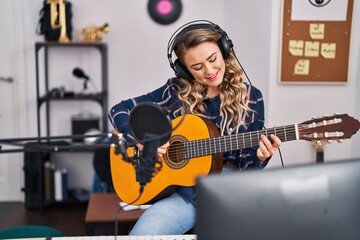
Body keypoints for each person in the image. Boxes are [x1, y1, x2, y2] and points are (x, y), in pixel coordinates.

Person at [108, 20, 282, 235]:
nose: (209, 71)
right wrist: (140, 140)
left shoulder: (252, 97)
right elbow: (119, 110)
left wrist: (261, 156)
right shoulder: (175, 92)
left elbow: (247, 167)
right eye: (197, 67)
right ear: (184, 70)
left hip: (231, 192)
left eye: (213, 59)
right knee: (142, 236)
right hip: (186, 193)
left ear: (225, 50)